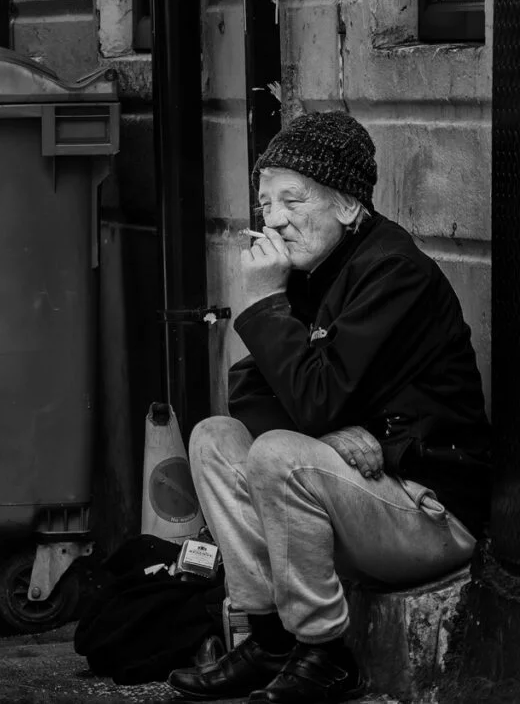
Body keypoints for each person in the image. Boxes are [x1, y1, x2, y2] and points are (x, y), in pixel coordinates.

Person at [167, 111, 491, 704]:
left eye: (294, 200)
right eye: (266, 204)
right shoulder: (313, 267)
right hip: (359, 492)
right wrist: (333, 432)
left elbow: (313, 400)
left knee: (280, 453)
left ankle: (323, 655)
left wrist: (263, 303)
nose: (277, 220)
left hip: (429, 514)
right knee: (216, 437)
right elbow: (252, 393)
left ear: (347, 205)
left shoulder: (391, 272)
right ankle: (267, 639)